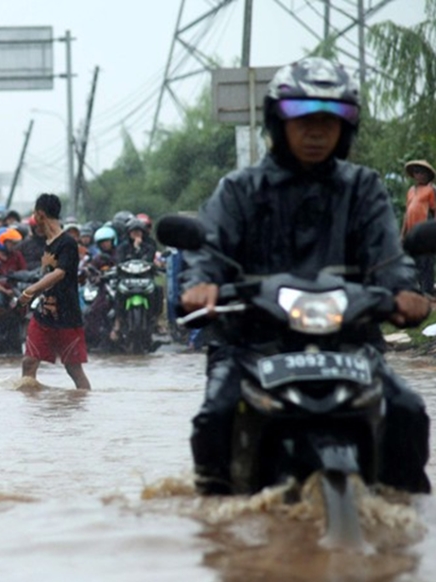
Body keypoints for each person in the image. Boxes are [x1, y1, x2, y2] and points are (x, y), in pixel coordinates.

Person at [179, 57, 431, 495]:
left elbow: (387, 257)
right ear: (279, 122)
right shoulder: (239, 189)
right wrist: (201, 285)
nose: (316, 131)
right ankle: (216, 518)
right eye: (303, 118)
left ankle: (404, 513)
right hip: (251, 340)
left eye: (330, 120)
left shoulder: (363, 188)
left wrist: (406, 291)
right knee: (213, 417)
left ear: (345, 128)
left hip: (348, 339)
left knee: (408, 410)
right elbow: (210, 250)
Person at [19, 193, 90, 390]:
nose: (34, 220)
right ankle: (32, 414)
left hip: (67, 316)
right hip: (44, 314)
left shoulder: (67, 242)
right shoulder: (46, 243)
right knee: (29, 362)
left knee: (73, 369)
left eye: (35, 215)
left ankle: (83, 408)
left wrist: (30, 291)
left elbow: (60, 273)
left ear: (41, 215)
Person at [401, 159, 436, 295]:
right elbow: (407, 212)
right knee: (413, 264)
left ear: (427, 174)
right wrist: (403, 234)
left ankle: (427, 291)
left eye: (422, 172)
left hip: (425, 233)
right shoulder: (411, 191)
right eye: (416, 172)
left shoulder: (431, 189)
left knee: (426, 263)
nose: (419, 174)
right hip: (412, 233)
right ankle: (417, 291)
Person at [0, 226, 26, 331]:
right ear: (1, 242)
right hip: (0, 291)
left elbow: (24, 272)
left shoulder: (17, 255)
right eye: (10, 243)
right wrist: (5, 291)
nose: (13, 246)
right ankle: (2, 327)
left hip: (17, 288)